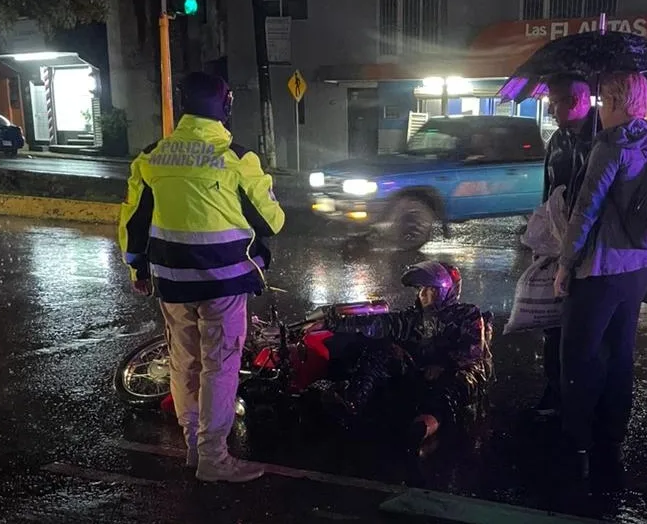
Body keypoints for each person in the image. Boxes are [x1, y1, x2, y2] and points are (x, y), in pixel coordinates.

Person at [118, 72, 286, 483]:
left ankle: (194, 447)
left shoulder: (152, 156)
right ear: (226, 107)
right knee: (220, 365)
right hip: (223, 283)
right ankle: (214, 457)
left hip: (173, 282)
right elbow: (272, 221)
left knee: (184, 362)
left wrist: (137, 266)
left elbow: (133, 221)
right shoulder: (236, 158)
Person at [553, 72, 647, 483]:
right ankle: (612, 436)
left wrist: (565, 264)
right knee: (620, 353)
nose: (601, 107)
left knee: (579, 356)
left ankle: (577, 443)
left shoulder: (611, 144)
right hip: (641, 266)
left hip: (602, 269)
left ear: (617, 102)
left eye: (604, 100)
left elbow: (586, 209)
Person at [321, 261, 492, 452]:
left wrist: (444, 366)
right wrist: (340, 323)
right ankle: (352, 402)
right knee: (380, 352)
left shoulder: (467, 315)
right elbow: (385, 323)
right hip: (418, 368)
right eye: (422, 290)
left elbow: (473, 351)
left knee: (448, 391)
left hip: (452, 373)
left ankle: (423, 428)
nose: (424, 295)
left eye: (431, 290)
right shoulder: (414, 317)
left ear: (446, 292)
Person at [535, 75, 601, 420]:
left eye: (555, 100)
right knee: (551, 320)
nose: (549, 107)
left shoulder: (602, 138)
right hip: (555, 241)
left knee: (580, 327)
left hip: (586, 248)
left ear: (577, 102)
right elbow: (548, 190)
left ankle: (579, 399)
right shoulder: (558, 140)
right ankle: (554, 388)